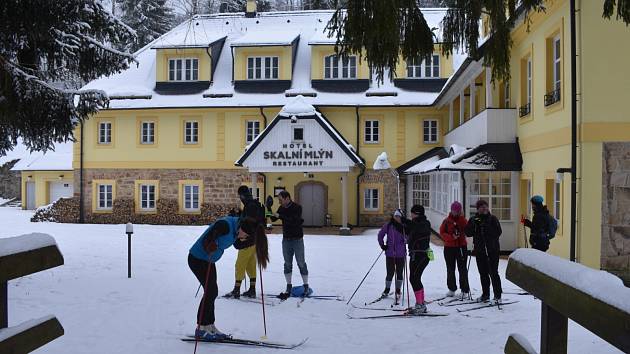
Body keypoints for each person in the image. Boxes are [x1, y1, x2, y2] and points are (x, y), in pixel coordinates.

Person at [188, 216, 269, 340]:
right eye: (245, 235)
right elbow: (216, 228)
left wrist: (256, 243)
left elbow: (237, 245)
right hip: (197, 259)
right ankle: (201, 328)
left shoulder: (237, 230)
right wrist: (210, 241)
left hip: (209, 260)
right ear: (242, 228)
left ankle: (210, 326)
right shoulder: (226, 225)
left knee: (212, 292)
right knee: (211, 291)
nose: (243, 238)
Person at [224, 186, 265, 299]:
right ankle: (252, 289)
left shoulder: (250, 205)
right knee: (250, 264)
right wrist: (239, 214)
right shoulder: (254, 204)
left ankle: (236, 290)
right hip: (255, 240)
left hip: (246, 240)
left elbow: (249, 221)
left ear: (242, 195)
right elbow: (249, 218)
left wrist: (243, 234)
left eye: (240, 196)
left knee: (240, 265)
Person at [269, 190, 309, 300]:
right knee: (287, 263)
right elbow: (273, 218)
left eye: (281, 200)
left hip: (297, 239)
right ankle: (289, 285)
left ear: (287, 198)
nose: (279, 202)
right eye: (278, 200)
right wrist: (268, 208)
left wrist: (280, 216)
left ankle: (306, 285)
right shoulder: (282, 208)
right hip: (286, 239)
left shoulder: (297, 207)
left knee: (301, 262)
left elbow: (294, 221)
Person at [465, 200, 502, 303]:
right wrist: (475, 226)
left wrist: (486, 228)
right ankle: (485, 294)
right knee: (483, 273)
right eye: (481, 207)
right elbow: (468, 232)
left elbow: (498, 232)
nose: (484, 208)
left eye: (485, 206)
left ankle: (498, 296)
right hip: (480, 251)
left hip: (492, 250)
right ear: (478, 209)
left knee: (493, 273)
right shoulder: (474, 219)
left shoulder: (492, 219)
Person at [402, 204, 432, 314]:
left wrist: (405, 220)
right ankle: (420, 303)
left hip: (422, 255)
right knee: (414, 278)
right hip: (414, 254)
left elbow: (417, 228)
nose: (411, 215)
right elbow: (406, 229)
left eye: (412, 213)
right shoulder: (415, 224)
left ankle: (420, 305)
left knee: (415, 279)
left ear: (417, 213)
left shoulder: (424, 223)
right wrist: (396, 222)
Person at [439, 201, 470, 299]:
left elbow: (468, 231)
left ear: (460, 211)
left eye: (457, 211)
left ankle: (464, 290)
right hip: (449, 248)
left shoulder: (463, 221)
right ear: (451, 210)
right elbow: (442, 233)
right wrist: (452, 237)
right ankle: (452, 289)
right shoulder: (446, 221)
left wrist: (461, 233)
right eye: (453, 210)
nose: (455, 212)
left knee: (462, 269)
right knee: (450, 269)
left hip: (461, 247)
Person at [377, 209, 407, 302]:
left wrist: (406, 239)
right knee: (390, 273)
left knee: (399, 273)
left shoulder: (403, 226)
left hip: (401, 254)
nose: (397, 218)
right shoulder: (389, 225)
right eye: (395, 216)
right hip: (390, 253)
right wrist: (382, 245)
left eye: (398, 216)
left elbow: (409, 237)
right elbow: (380, 235)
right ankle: (387, 289)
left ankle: (398, 290)